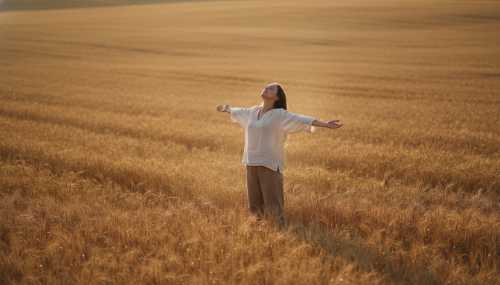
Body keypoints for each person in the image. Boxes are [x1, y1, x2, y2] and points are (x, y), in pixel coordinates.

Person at [216, 82, 343, 228]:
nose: (265, 89)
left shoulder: (280, 115)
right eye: (266, 87)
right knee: (254, 204)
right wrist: (226, 108)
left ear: (276, 97)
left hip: (270, 164)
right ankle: (259, 232)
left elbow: (302, 119)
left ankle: (279, 232)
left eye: (271, 89)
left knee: (273, 205)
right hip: (251, 162)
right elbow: (237, 111)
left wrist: (326, 124)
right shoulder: (252, 111)